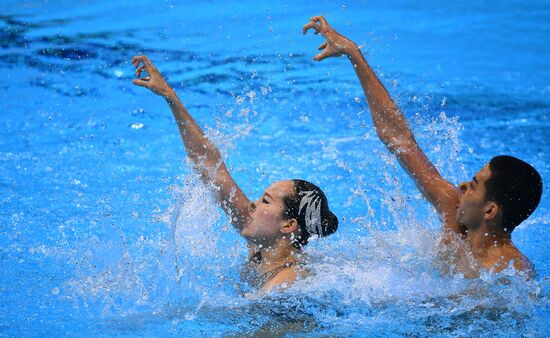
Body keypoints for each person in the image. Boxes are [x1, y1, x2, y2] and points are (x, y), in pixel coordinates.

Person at [303, 16, 542, 277]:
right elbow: (398, 138)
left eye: (473, 185)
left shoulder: (511, 272)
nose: (461, 186)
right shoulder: (454, 211)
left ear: (490, 210)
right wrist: (353, 54)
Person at [131, 55, 338, 292]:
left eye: (265, 201)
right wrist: (171, 97)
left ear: (288, 225)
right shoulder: (262, 246)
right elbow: (211, 168)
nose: (252, 205)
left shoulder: (288, 282)